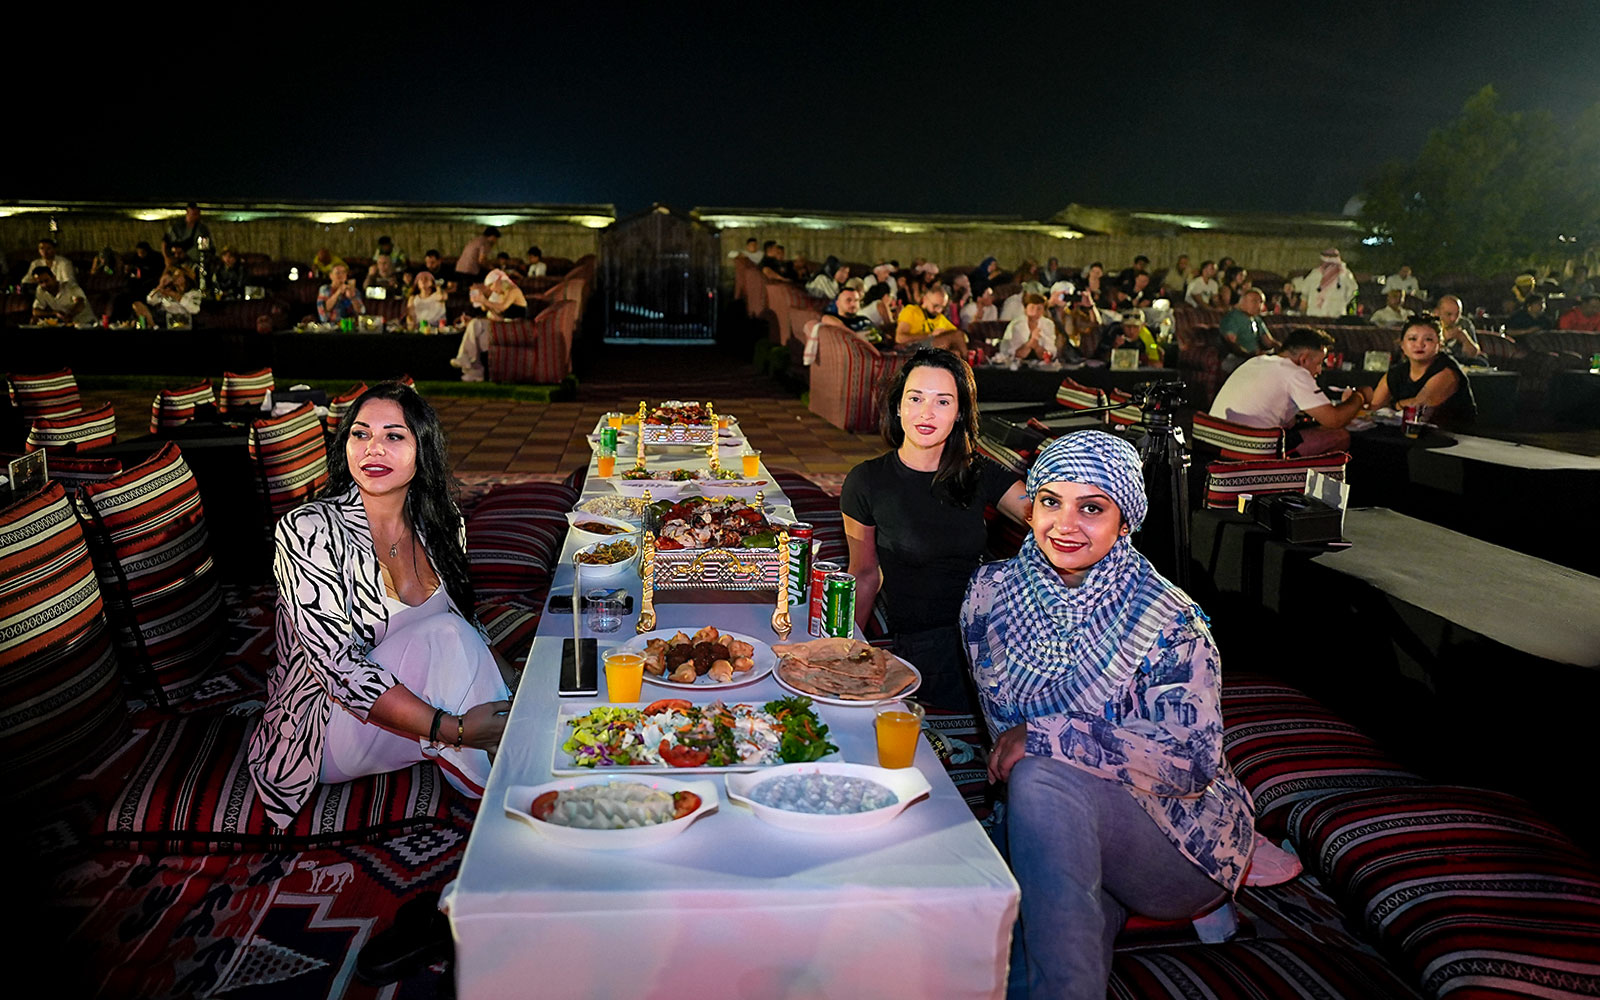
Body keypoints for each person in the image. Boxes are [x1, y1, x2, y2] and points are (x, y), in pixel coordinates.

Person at [961, 430, 1254, 1000]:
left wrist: (1051, 735)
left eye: (1091, 508)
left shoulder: (1166, 619)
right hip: (1061, 821)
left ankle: (1193, 905)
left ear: (1126, 522)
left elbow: (1191, 764)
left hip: (1178, 837)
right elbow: (1000, 734)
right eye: (1050, 501)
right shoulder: (989, 595)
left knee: (1041, 776)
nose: (1064, 525)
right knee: (1016, 936)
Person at [248, 382, 513, 829]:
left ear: (421, 450)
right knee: (443, 637)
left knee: (454, 637)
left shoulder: (442, 523)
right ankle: (508, 786)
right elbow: (339, 667)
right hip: (331, 727)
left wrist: (520, 684)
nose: (373, 448)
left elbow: (469, 627)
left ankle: (512, 744)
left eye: (394, 436)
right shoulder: (308, 529)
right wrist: (456, 730)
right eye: (360, 434)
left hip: (421, 706)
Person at [841, 348, 1029, 712]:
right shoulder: (867, 481)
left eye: (943, 401)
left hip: (989, 632)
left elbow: (1046, 516)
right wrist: (848, 650)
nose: (927, 413)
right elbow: (863, 574)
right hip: (925, 642)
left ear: (959, 413)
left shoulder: (977, 472)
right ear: (898, 407)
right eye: (916, 398)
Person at [1208, 327, 1366, 455]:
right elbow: (1334, 420)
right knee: (1339, 436)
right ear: (1303, 359)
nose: (1319, 370)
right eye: (1319, 363)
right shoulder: (1296, 373)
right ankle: (1300, 489)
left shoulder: (1257, 361)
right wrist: (1360, 396)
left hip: (1216, 442)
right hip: (1249, 450)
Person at [1369, 316, 1476, 428]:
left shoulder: (1447, 371)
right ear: (1402, 345)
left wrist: (1394, 405)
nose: (1419, 345)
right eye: (1412, 339)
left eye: (1428, 339)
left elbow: (1418, 407)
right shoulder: (1397, 372)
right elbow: (1374, 408)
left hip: (1455, 438)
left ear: (1439, 345)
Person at [1219, 288, 1276, 371]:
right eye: (1254, 301)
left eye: (1261, 302)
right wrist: (1251, 355)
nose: (1259, 305)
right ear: (1242, 302)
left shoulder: (1257, 319)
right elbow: (1232, 345)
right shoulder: (1232, 318)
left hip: (1254, 358)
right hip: (1235, 359)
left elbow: (1269, 342)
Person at [895, 286, 965, 352]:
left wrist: (944, 333)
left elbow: (961, 337)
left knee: (955, 350)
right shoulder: (912, 311)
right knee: (952, 339)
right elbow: (899, 338)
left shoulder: (940, 318)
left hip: (934, 348)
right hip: (915, 346)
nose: (938, 310)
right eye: (936, 306)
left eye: (942, 307)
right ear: (925, 300)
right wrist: (930, 335)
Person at [132, 266, 202, 327]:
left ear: (186, 278)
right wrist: (161, 285)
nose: (174, 278)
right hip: (167, 324)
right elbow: (150, 300)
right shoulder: (168, 290)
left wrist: (176, 296)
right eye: (174, 276)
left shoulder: (194, 293)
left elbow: (195, 309)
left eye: (178, 275)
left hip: (186, 326)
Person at [995, 293, 1055, 362]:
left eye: (1039, 308)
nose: (1035, 312)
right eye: (1032, 307)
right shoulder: (1016, 325)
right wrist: (1031, 341)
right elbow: (1016, 354)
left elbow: (1049, 354)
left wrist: (1037, 346)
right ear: (1025, 309)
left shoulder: (1048, 324)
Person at [1300, 248, 1357, 318]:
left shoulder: (1346, 276)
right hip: (1315, 317)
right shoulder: (1314, 275)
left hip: (1336, 318)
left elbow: (1353, 293)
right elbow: (1304, 297)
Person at [29, 267, 95, 326]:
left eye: (46, 280)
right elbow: (35, 311)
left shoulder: (70, 286)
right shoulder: (41, 290)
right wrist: (54, 313)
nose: (44, 285)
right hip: (67, 325)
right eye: (40, 282)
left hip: (86, 323)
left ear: (54, 278)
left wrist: (70, 315)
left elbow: (80, 304)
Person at [1095, 309, 1161, 366]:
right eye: (1128, 327)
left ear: (1142, 326)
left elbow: (1152, 346)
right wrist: (1115, 346)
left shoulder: (1146, 335)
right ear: (1122, 325)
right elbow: (1100, 357)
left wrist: (1157, 347)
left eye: (1135, 327)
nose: (1131, 331)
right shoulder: (1112, 332)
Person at [1435, 294, 1483, 358]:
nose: (1453, 318)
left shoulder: (1464, 323)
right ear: (1438, 312)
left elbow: (1474, 354)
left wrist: (1465, 339)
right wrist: (1443, 339)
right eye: (1449, 314)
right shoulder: (1432, 323)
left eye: (1457, 314)